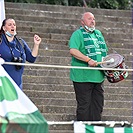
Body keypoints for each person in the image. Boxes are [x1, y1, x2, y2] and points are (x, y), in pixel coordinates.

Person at [69, 12, 108, 121]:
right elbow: (73, 50)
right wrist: (88, 60)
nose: (92, 21)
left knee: (98, 106)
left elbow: (104, 53)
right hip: (82, 77)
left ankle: (95, 129)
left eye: (94, 19)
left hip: (98, 77)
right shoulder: (77, 34)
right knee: (84, 107)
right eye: (89, 19)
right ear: (82, 22)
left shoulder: (99, 34)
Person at [0, 18, 41, 90]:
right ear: (4, 28)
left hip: (17, 85)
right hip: (3, 84)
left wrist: (36, 45)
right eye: (10, 25)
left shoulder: (20, 42)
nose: (13, 26)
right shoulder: (1, 41)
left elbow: (31, 58)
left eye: (14, 25)